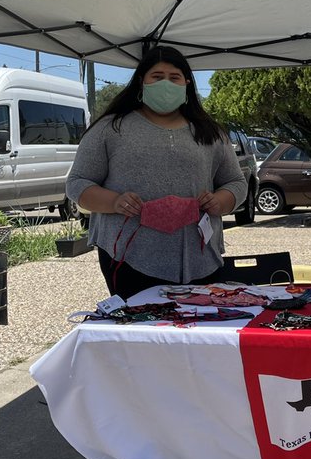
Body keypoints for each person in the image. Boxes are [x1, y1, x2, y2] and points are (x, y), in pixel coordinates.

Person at [66, 46, 247, 300]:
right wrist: (115, 202)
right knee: (143, 333)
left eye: (174, 78)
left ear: (186, 83)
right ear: (142, 82)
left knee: (200, 333)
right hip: (129, 258)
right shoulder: (111, 128)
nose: (165, 84)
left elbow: (236, 182)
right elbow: (77, 183)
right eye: (157, 76)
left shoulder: (210, 132)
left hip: (201, 258)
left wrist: (221, 201)